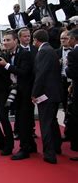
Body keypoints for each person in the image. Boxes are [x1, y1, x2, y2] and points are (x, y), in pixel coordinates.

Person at [0, 31, 36, 159]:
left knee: (24, 120)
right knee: (22, 119)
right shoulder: (7, 54)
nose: (5, 43)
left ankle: (25, 150)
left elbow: (23, 72)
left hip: (25, 91)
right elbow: (8, 74)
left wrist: (6, 65)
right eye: (4, 40)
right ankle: (31, 145)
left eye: (8, 40)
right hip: (14, 91)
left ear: (15, 41)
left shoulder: (25, 54)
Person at [32, 29, 62, 164]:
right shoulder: (52, 50)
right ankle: (57, 147)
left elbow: (41, 75)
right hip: (54, 93)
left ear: (36, 40)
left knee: (46, 124)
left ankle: (49, 154)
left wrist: (34, 93)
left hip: (46, 94)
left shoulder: (43, 52)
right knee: (52, 121)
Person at [65, 28, 78, 160]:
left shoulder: (73, 53)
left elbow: (72, 73)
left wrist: (67, 67)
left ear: (74, 39)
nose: (67, 41)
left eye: (69, 38)